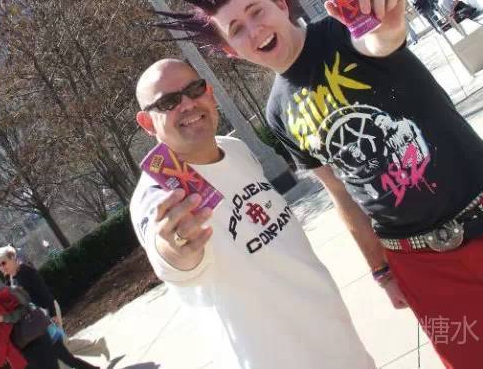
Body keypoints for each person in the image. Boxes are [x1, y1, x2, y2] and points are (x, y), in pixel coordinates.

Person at [150, 0, 483, 369]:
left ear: (281, 5)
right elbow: (340, 191)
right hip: (419, 265)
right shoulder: (278, 113)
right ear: (230, 51)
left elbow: (380, 40)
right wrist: (380, 270)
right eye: (236, 29)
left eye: (257, 11)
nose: (254, 30)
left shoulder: (343, 31)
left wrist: (389, 22)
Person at [130, 58, 375, 369]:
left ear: (209, 92)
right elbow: (174, 260)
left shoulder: (234, 148)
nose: (188, 104)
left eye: (194, 89)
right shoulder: (158, 196)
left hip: (338, 338)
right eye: (168, 102)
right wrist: (173, 250)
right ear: (148, 123)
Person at [0, 247, 100, 369]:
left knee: (65, 355)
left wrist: (52, 314)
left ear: (12, 258)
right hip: (37, 322)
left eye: (3, 263)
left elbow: (43, 292)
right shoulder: (11, 279)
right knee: (65, 356)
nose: (2, 267)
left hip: (45, 317)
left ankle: (98, 348)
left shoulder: (26, 272)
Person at [0, 267, 59, 369]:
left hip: (32, 336)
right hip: (15, 348)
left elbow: (25, 307)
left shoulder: (4, 291)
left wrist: (2, 318)